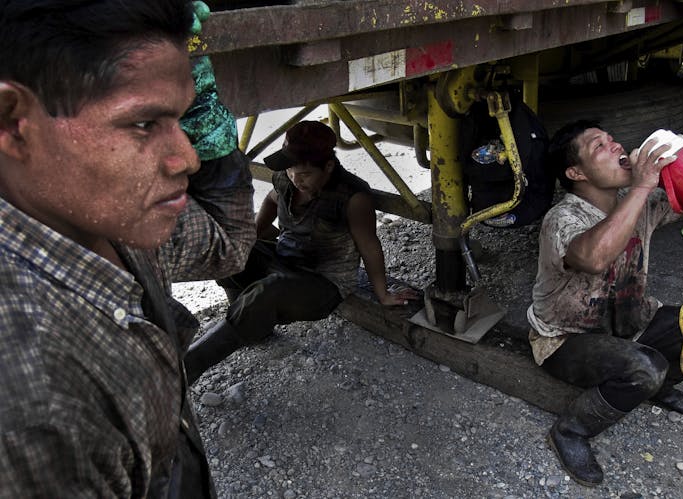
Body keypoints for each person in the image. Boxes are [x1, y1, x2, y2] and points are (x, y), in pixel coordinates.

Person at [0, 1, 255, 497]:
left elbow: (228, 243)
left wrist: (205, 118)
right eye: (144, 124)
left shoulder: (105, 219)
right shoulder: (29, 408)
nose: (188, 157)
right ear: (13, 121)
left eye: (182, 118)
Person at [527, 121, 683, 487]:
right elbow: (594, 258)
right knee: (645, 367)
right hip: (566, 340)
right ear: (576, 172)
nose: (615, 145)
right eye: (599, 146)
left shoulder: (636, 202)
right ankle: (571, 431)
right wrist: (641, 185)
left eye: (611, 138)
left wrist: (680, 160)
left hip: (629, 324)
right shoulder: (562, 219)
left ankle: (660, 387)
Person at [184, 120, 418, 384]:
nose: (296, 179)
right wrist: (247, 240)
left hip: (323, 284)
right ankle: (251, 326)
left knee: (268, 292)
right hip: (284, 261)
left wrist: (383, 294)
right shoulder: (287, 178)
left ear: (328, 166)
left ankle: (186, 369)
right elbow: (273, 199)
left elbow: (370, 247)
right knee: (228, 250)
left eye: (305, 174)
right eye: (291, 171)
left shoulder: (353, 198)